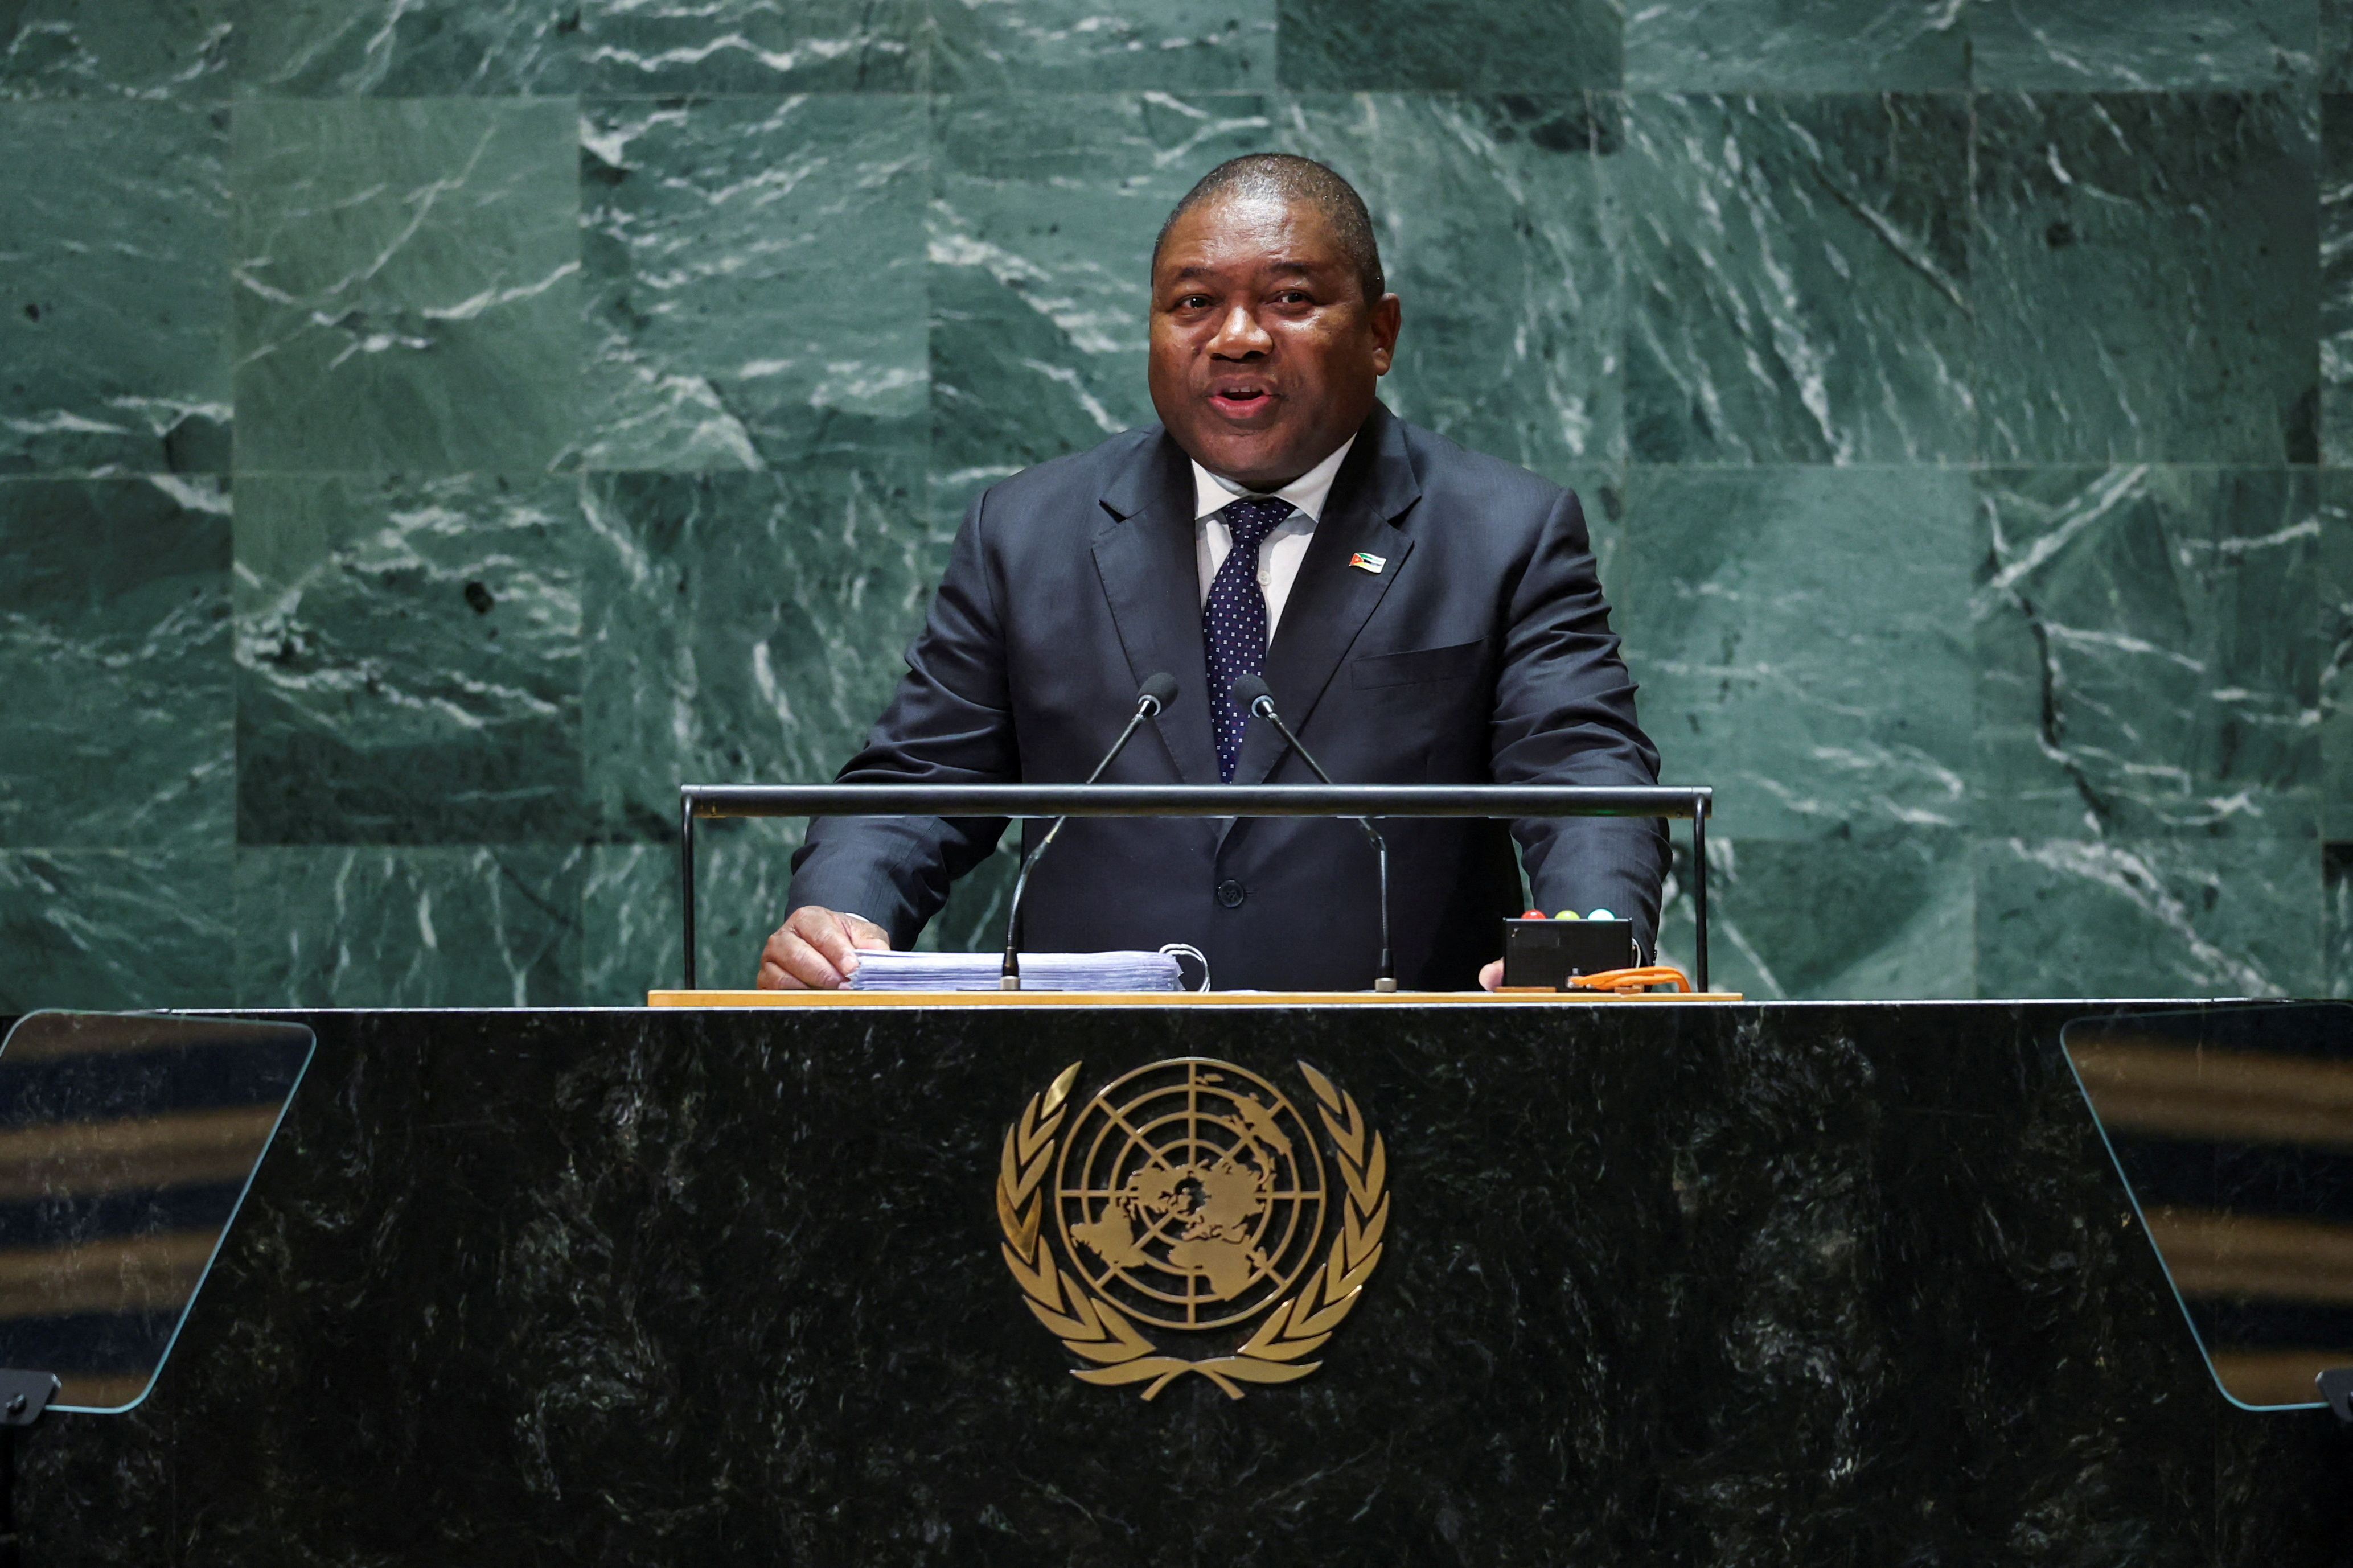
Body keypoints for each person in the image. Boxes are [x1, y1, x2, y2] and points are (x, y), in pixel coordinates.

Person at [759, 154, 1666, 993]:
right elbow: (921, 779)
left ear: (1380, 333)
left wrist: (1585, 945)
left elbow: (1581, 773)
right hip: (1087, 1103)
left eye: (1290, 300)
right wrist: (843, 915)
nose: (1236, 338)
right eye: (1192, 304)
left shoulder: (1502, 531)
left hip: (1408, 1096)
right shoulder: (1026, 531)